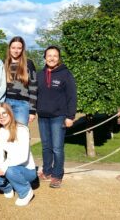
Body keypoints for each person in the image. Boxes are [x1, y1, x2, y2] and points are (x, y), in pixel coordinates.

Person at [36, 45, 77, 188]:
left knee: (57, 148)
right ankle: (47, 171)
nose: (52, 58)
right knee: (46, 147)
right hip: (42, 117)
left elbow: (72, 96)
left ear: (58, 58)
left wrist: (70, 116)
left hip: (59, 116)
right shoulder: (39, 75)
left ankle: (57, 175)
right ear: (45, 57)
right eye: (49, 55)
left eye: (55, 56)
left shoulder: (65, 74)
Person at [0, 103, 36, 206]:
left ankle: (26, 192)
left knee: (10, 170)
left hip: (27, 170)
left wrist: (4, 167)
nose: (1, 117)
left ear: (10, 113)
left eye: (4, 113)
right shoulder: (0, 131)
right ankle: (8, 188)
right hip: (10, 168)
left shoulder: (22, 129)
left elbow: (23, 157)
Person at [4, 36, 37, 126]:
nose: (16, 50)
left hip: (23, 104)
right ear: (9, 49)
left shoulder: (28, 63)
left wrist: (32, 111)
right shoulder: (4, 63)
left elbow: (33, 87)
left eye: (19, 48)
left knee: (21, 133)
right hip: (6, 103)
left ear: (22, 49)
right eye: (13, 48)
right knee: (6, 134)